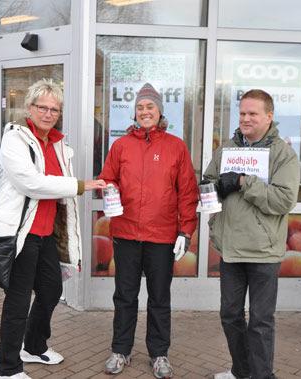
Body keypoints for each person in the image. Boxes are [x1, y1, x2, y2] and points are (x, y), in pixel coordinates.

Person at [0, 79, 106, 379]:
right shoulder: (15, 140)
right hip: (20, 234)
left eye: (55, 109)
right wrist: (80, 185)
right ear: (30, 107)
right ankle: (7, 368)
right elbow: (32, 183)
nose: (49, 114)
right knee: (18, 299)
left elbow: (56, 194)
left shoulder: (59, 144)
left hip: (45, 234)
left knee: (51, 289)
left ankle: (34, 345)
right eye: (43, 107)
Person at [98, 83, 199, 378]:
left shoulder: (175, 146)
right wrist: (111, 191)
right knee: (125, 296)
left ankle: (159, 354)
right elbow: (107, 179)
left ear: (160, 111)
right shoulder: (120, 146)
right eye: (140, 107)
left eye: (150, 107)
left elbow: (187, 194)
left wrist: (185, 231)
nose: (145, 111)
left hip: (162, 236)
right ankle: (120, 350)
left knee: (159, 298)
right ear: (135, 112)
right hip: (126, 233)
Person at [203, 89, 300, 379]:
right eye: (242, 113)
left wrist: (244, 182)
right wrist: (212, 188)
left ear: (269, 116)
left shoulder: (283, 153)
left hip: (263, 251)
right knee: (230, 316)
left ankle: (261, 375)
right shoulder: (227, 150)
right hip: (231, 249)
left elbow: (284, 200)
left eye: (252, 113)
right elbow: (208, 183)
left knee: (260, 321)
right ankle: (241, 371)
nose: (245, 118)